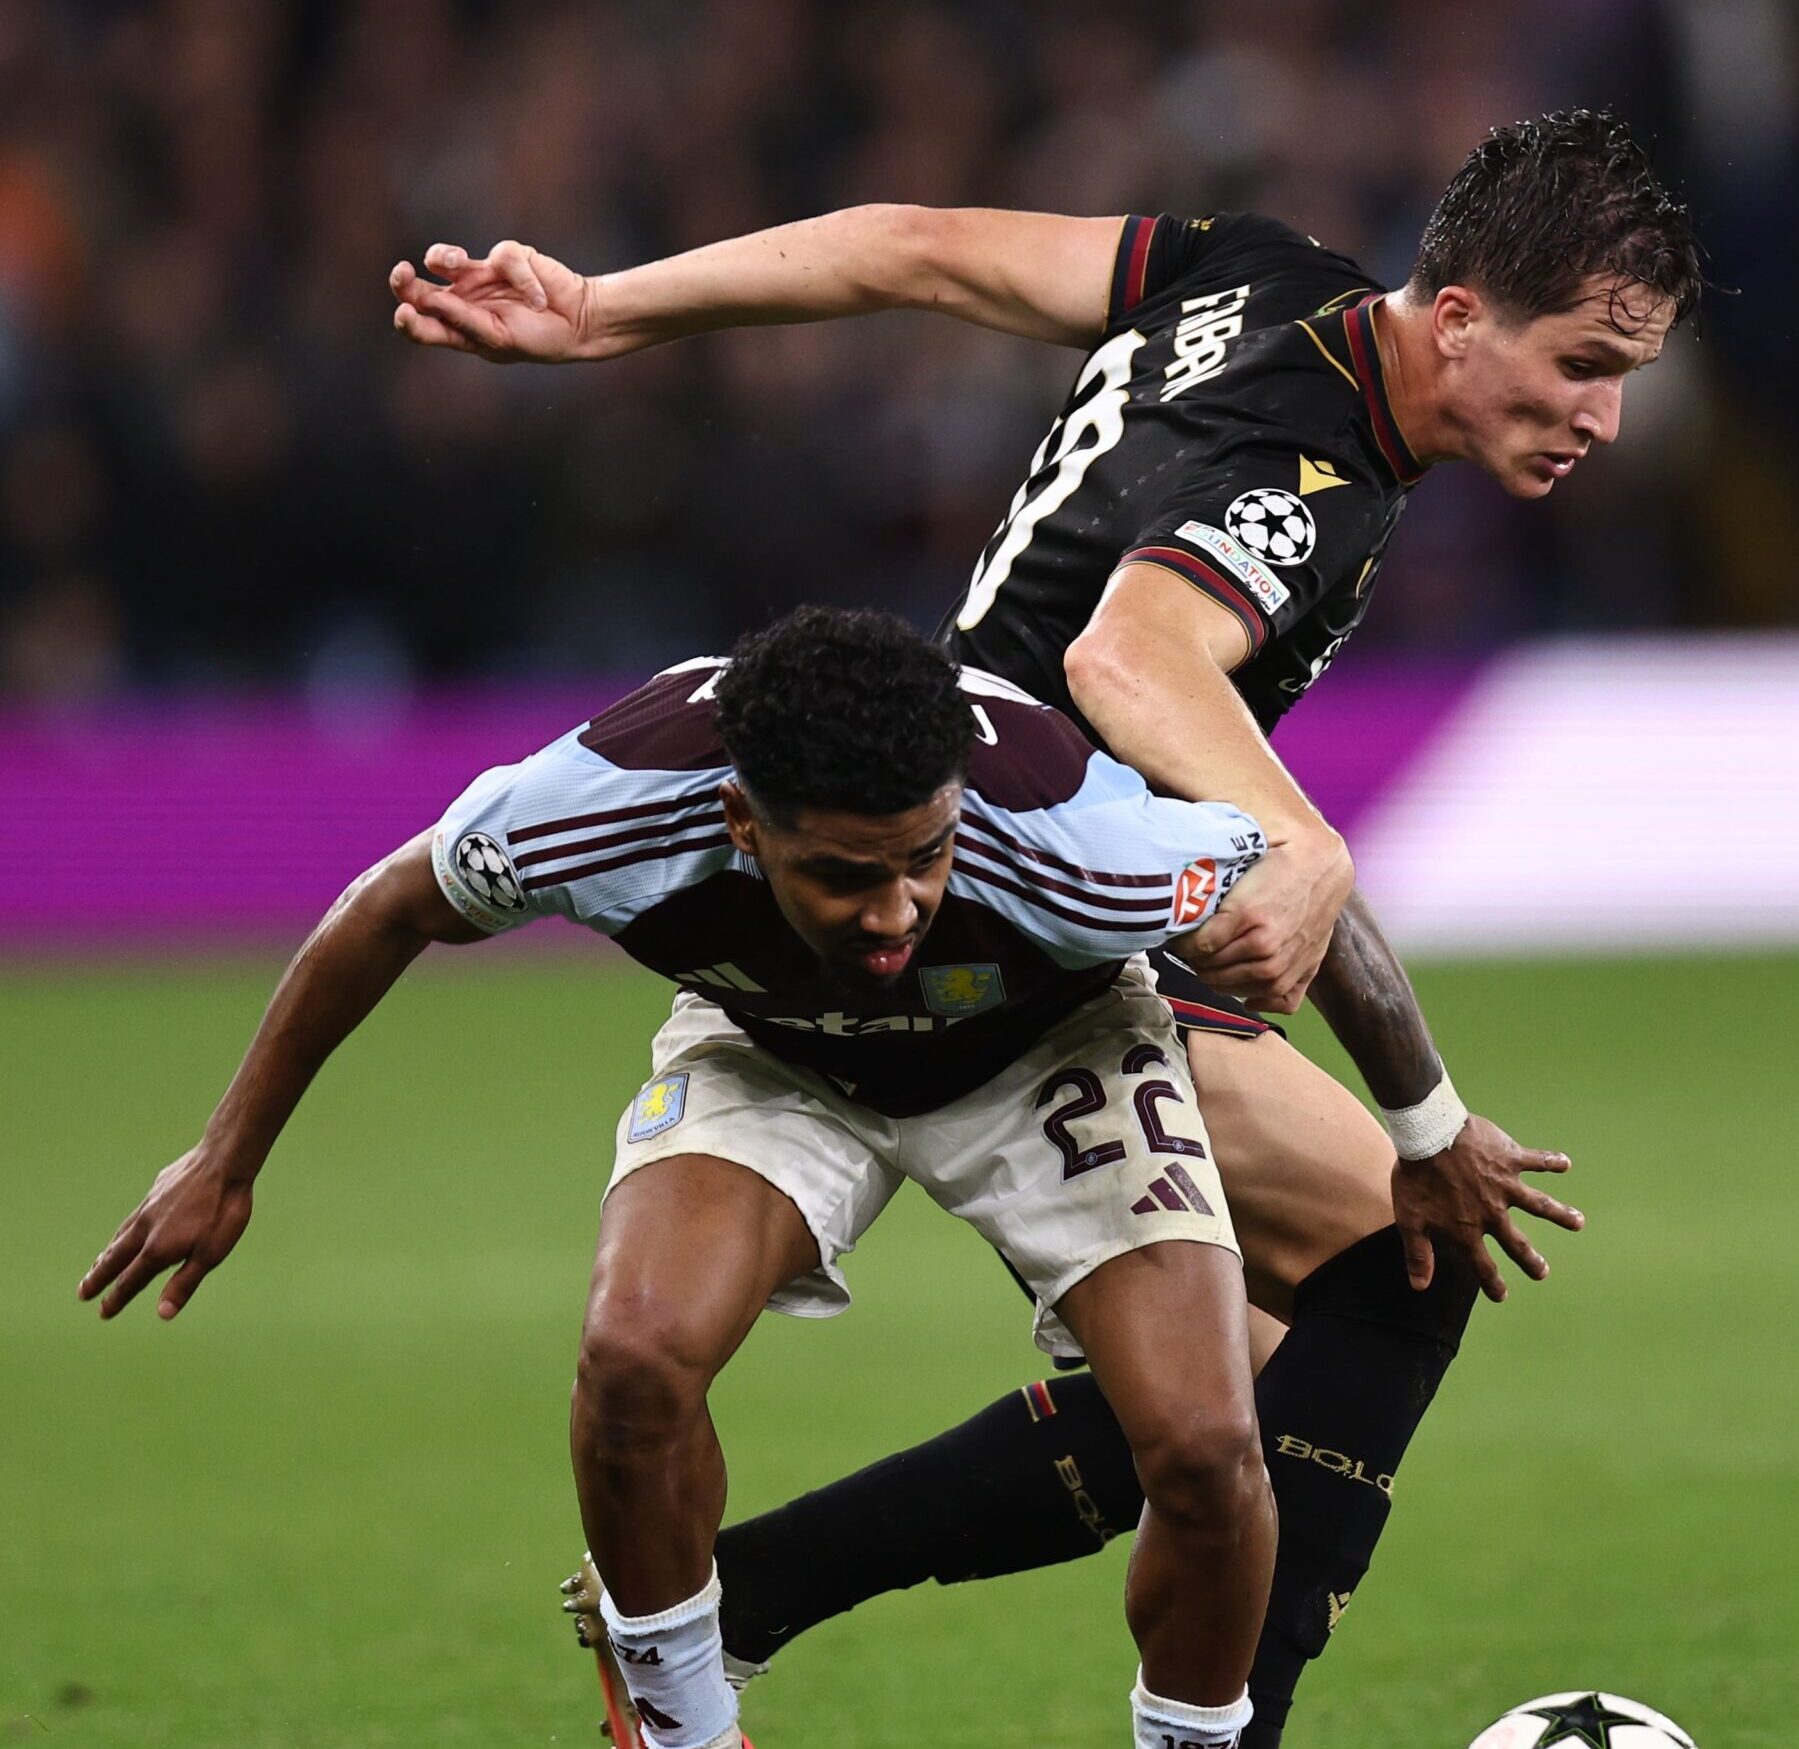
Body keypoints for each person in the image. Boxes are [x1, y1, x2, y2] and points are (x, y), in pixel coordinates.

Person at [388, 107, 1702, 1742]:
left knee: (1198, 1395)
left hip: (997, 844)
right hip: (1043, 897)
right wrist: (1306, 848)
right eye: (1583, 361)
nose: (1606, 415)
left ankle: (742, 1587)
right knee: (1396, 1256)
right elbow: (1128, 666)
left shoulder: (1258, 273)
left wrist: (607, 309)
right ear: (1455, 319)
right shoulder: (1313, 480)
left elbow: (922, 242)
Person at [78, 606, 1286, 1749]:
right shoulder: (596, 800)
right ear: (740, 823)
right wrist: (226, 1159)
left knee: (1205, 1444)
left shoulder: (1077, 836)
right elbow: (387, 908)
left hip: (1047, 1046)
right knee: (633, 1356)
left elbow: (1300, 882)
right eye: (842, 875)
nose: (893, 911)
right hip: (776, 1047)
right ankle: (684, 1725)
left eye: (922, 858)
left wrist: (1425, 1120)